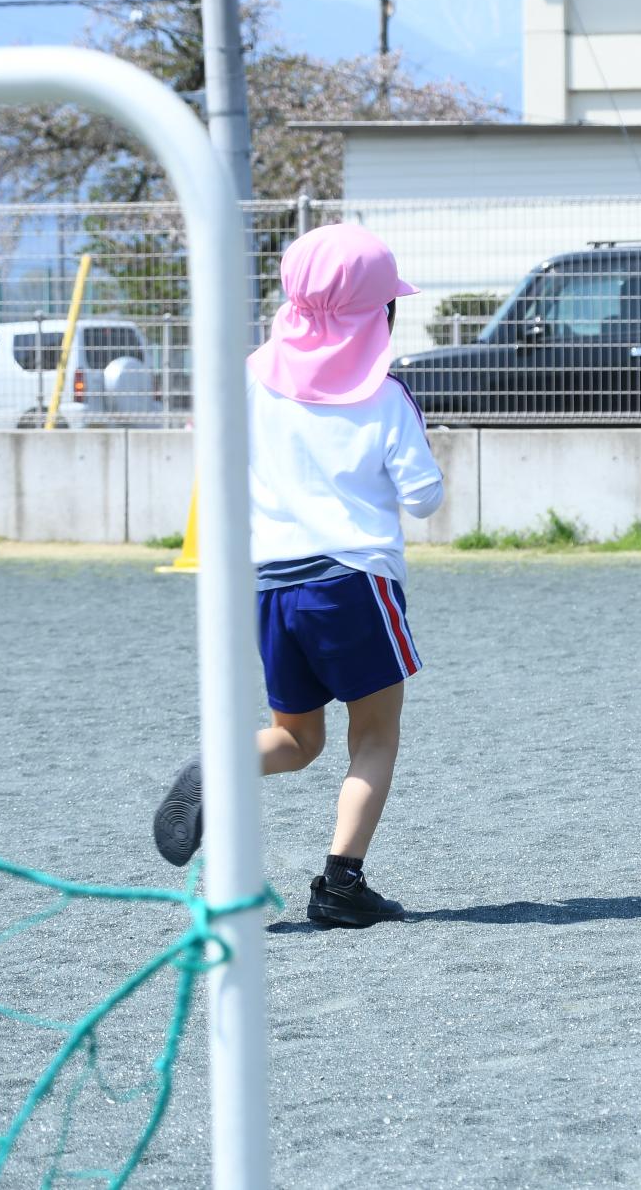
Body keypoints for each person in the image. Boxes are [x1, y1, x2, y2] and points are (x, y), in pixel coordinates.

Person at [153, 223, 445, 930]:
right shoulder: (384, 394)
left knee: (296, 739)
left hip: (274, 583)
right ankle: (342, 883)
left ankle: (224, 762)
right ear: (380, 312)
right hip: (354, 580)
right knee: (373, 735)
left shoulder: (249, 377)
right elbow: (425, 498)